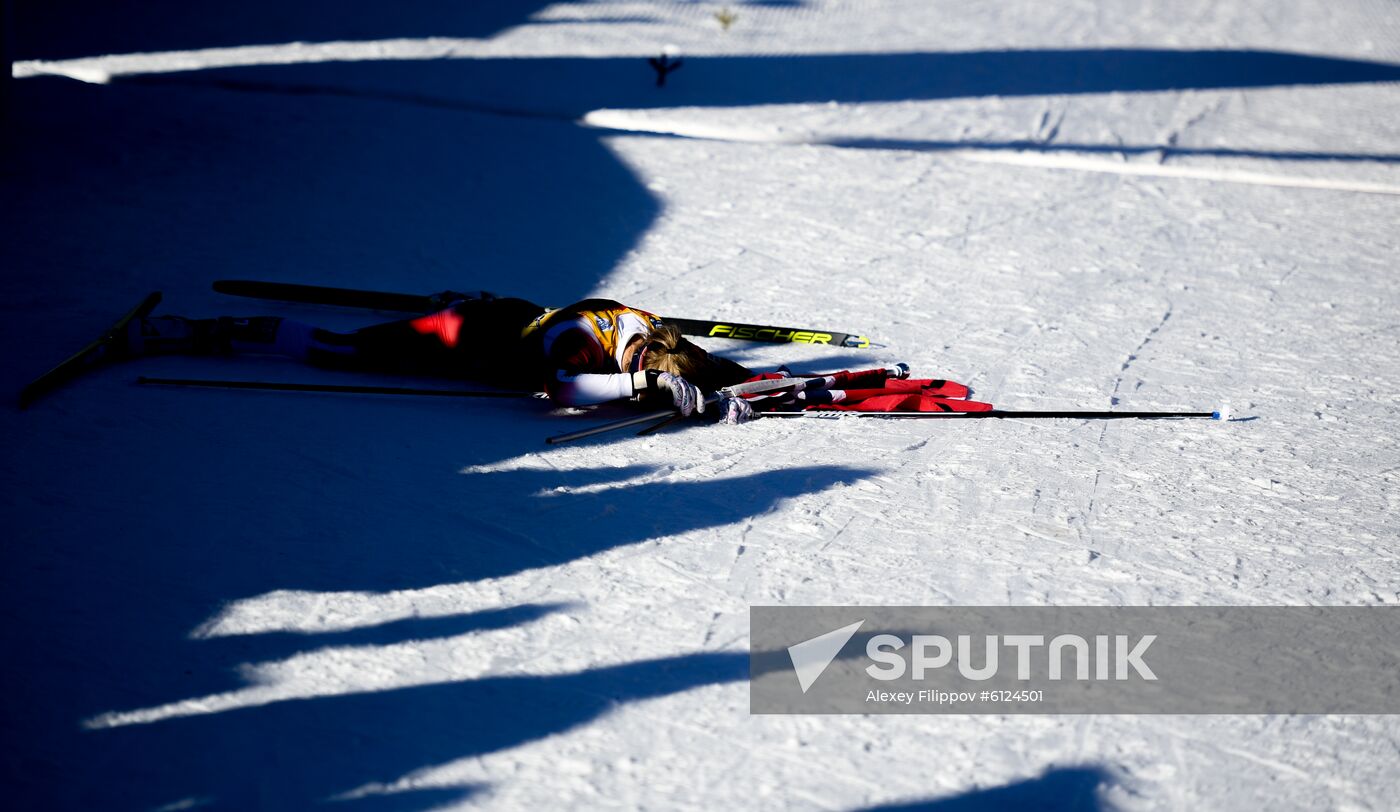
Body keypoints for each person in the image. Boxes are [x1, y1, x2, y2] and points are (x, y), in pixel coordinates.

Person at [122, 293, 759, 423]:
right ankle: (190, 331)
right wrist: (638, 386)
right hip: (459, 337)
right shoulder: (578, 348)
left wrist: (742, 381)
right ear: (636, 359)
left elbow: (690, 360)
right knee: (333, 349)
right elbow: (565, 391)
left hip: (501, 314)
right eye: (635, 372)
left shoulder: (645, 325)